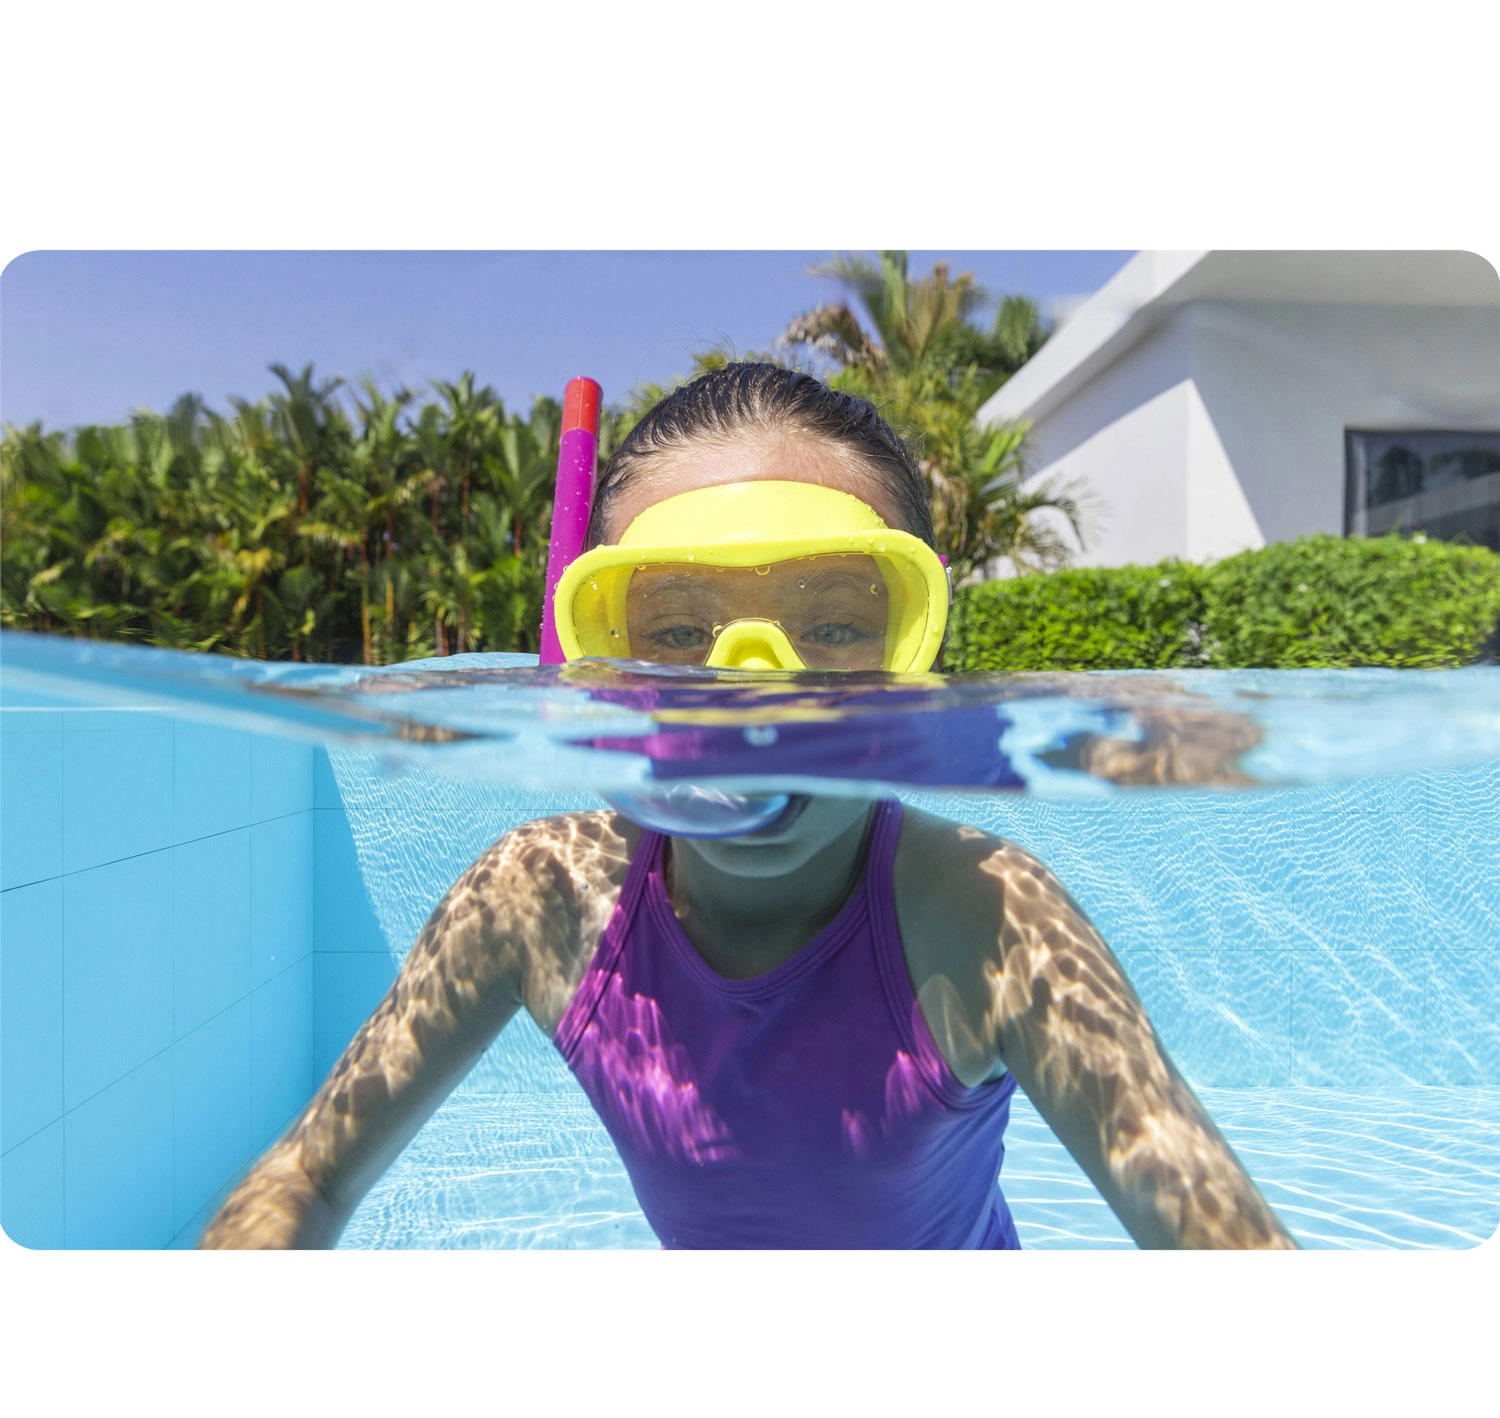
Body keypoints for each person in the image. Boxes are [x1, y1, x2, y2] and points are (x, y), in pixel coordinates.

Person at [202, 363, 1296, 1251]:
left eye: (836, 625)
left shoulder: (989, 918)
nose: (754, 699)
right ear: (595, 659)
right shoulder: (539, 899)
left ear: (919, 648)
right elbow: (309, 1175)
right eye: (677, 632)